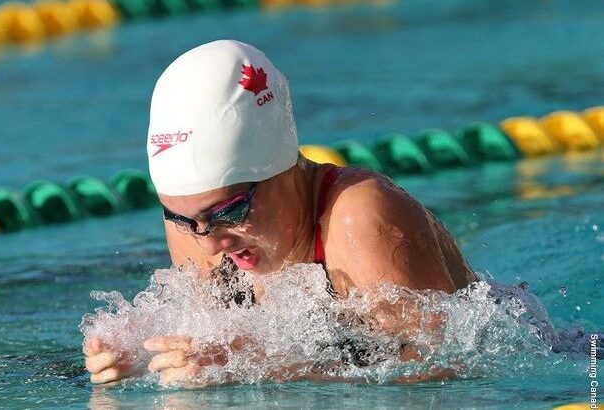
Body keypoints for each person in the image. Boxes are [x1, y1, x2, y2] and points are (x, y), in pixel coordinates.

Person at [84, 39, 478, 385]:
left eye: (231, 211)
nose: (210, 246)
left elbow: (444, 367)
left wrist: (263, 367)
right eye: (181, 219)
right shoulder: (199, 225)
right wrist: (139, 353)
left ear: (283, 170)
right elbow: (208, 345)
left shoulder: (358, 218)